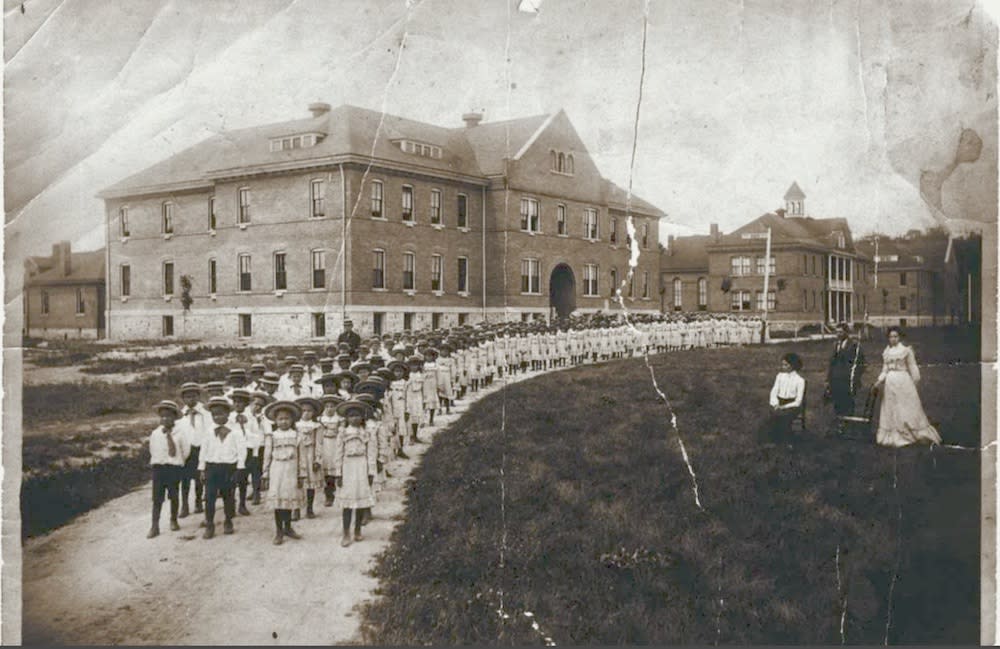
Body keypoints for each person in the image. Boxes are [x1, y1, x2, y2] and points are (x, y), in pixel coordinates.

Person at [873, 326, 941, 447]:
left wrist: (914, 383)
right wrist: (879, 381)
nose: (893, 339)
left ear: (899, 337)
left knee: (906, 408)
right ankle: (893, 434)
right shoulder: (887, 352)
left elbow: (913, 367)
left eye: (895, 336)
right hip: (890, 383)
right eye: (891, 337)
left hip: (903, 382)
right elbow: (885, 369)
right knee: (891, 409)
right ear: (888, 338)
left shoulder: (906, 350)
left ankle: (910, 432)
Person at [332, 399, 378, 547]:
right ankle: (346, 532)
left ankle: (357, 529)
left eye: (357, 416)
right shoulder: (343, 433)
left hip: (361, 466)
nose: (354, 419)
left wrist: (371, 472)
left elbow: (371, 453)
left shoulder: (366, 433)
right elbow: (338, 454)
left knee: (359, 500)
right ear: (346, 418)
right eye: (351, 416)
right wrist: (338, 473)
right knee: (347, 501)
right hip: (347, 466)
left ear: (362, 417)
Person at [198, 396, 245, 539]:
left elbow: (242, 451)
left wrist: (239, 468)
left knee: (228, 496)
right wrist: (202, 468)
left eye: (221, 413)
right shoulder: (208, 431)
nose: (218, 417)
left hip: (229, 467)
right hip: (212, 467)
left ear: (228, 414)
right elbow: (203, 450)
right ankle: (210, 524)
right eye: (214, 414)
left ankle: (228, 521)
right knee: (209, 496)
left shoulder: (235, 431)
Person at [261, 400, 307, 545]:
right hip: (277, 470)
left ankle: (288, 527)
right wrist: (266, 473)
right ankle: (279, 530)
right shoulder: (272, 436)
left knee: (288, 499)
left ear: (292, 419)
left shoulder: (297, 436)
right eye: (280, 419)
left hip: (291, 471)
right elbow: (267, 455)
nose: (284, 422)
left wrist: (301, 474)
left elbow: (302, 457)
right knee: (278, 501)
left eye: (287, 418)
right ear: (275, 420)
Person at [147, 400, 190, 538]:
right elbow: (152, 449)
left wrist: (178, 462)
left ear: (174, 417)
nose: (165, 419)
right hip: (159, 468)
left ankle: (173, 519)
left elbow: (186, 450)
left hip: (174, 468)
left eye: (168, 416)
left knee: (174, 495)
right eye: (162, 416)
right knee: (157, 498)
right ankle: (155, 525)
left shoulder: (180, 433)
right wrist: (158, 462)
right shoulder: (155, 433)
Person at [176, 382, 209, 518]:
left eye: (193, 396)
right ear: (183, 398)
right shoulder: (179, 414)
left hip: (200, 449)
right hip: (185, 450)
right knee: (184, 479)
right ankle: (184, 505)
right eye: (187, 397)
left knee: (199, 478)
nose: (191, 399)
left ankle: (198, 501)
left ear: (198, 396)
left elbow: (208, 431)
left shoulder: (205, 412)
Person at [758, 352, 806, 444]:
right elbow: (774, 392)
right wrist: (775, 403)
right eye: (782, 364)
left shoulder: (800, 381)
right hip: (779, 402)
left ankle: (785, 441)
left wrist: (784, 407)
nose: (783, 367)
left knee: (783, 417)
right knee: (769, 419)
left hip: (792, 405)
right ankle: (770, 440)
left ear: (792, 366)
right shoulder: (780, 376)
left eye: (786, 365)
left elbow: (798, 401)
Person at [825, 323, 865, 417]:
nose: (838, 334)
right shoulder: (835, 345)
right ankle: (839, 422)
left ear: (847, 332)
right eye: (837, 332)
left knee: (847, 403)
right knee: (837, 402)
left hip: (847, 379)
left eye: (841, 332)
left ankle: (848, 423)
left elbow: (860, 363)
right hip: (835, 379)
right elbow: (832, 363)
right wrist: (828, 379)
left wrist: (855, 377)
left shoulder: (854, 345)